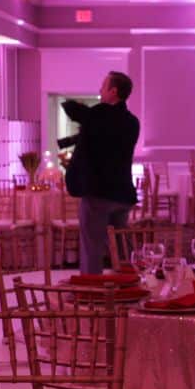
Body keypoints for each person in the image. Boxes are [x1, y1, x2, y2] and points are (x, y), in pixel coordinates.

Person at [60, 71, 140, 274]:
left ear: (113, 91)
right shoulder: (132, 122)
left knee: (92, 249)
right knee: (121, 249)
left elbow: (70, 108)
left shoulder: (97, 116)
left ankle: (91, 293)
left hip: (98, 194)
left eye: (103, 86)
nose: (99, 90)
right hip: (122, 194)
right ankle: (127, 288)